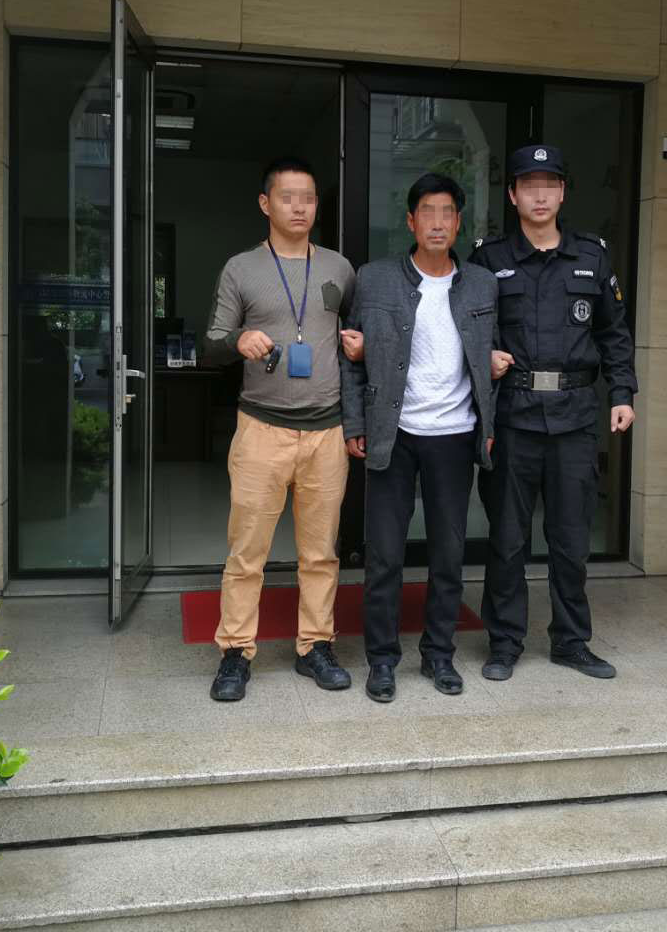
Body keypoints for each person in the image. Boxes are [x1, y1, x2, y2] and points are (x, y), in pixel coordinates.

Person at [470, 144, 637, 682]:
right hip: (513, 419)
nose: (539, 195)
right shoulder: (489, 259)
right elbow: (468, 329)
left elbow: (613, 333)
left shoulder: (592, 256)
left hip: (575, 419)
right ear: (512, 194)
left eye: (549, 185)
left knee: (570, 541)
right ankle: (504, 643)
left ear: (563, 193)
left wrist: (623, 394)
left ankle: (571, 641)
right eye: (529, 185)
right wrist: (484, 359)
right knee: (508, 540)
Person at [339, 174, 498, 703]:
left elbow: (491, 359)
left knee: (448, 555)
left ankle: (439, 655)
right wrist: (355, 424)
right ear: (410, 221)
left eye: (447, 212)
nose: (437, 222)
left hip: (454, 436)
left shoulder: (482, 284)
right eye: (427, 211)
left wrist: (489, 426)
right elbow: (351, 356)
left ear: (458, 222)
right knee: (384, 556)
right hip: (394, 433)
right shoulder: (375, 279)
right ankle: (382, 660)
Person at [202, 156, 356, 702]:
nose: (299, 207)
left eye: (308, 198)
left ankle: (315, 646)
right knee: (247, 551)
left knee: (321, 552)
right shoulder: (241, 268)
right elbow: (211, 342)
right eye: (287, 197)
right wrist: (237, 339)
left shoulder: (339, 268)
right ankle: (235, 652)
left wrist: (359, 344)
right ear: (265, 204)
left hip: (326, 432)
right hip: (261, 429)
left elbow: (354, 332)